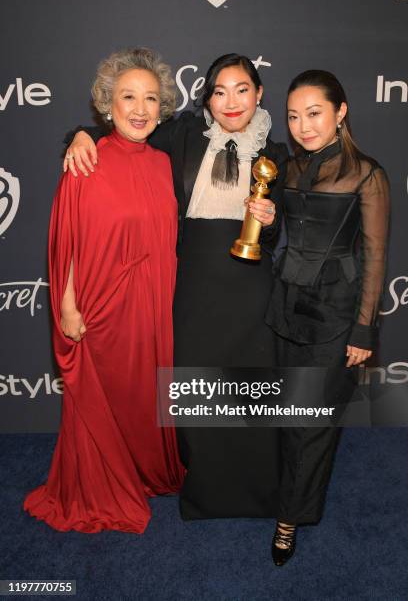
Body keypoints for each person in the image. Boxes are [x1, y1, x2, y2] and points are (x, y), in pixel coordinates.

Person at [63, 53, 289, 520]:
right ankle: (205, 492)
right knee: (195, 385)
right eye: (219, 91)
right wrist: (78, 136)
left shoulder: (278, 154)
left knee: (251, 386)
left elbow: (283, 225)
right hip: (193, 279)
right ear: (206, 98)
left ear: (259, 93)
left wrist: (269, 221)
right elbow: (124, 133)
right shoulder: (183, 134)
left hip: (251, 283)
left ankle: (259, 492)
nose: (231, 101)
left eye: (242, 89)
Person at [24, 48, 184, 533]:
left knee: (142, 395)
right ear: (106, 106)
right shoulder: (86, 160)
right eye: (128, 97)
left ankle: (139, 470)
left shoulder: (162, 163)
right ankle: (98, 485)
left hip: (151, 307)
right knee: (102, 395)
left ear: (163, 107)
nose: (139, 109)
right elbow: (66, 239)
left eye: (150, 98)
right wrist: (67, 306)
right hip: (100, 310)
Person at [265, 70, 390, 565]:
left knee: (311, 421)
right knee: (288, 414)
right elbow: (276, 241)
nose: (302, 126)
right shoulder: (289, 168)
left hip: (336, 311)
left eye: (314, 113)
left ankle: (288, 520)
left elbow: (376, 256)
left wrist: (365, 329)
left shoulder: (367, 173)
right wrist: (270, 222)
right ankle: (289, 495)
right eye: (294, 116)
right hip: (285, 306)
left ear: (340, 112)